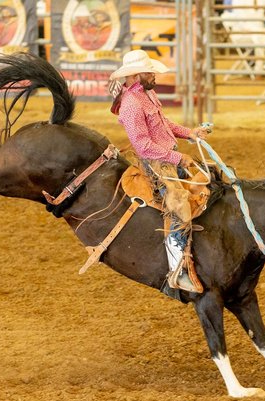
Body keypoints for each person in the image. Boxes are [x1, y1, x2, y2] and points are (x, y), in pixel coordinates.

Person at [109, 49, 209, 293]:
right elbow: (142, 146)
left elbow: (164, 124)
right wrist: (177, 156)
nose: (154, 75)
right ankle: (178, 270)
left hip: (167, 157)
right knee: (178, 205)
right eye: (148, 72)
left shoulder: (146, 95)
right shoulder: (131, 105)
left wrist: (189, 133)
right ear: (134, 76)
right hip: (156, 164)